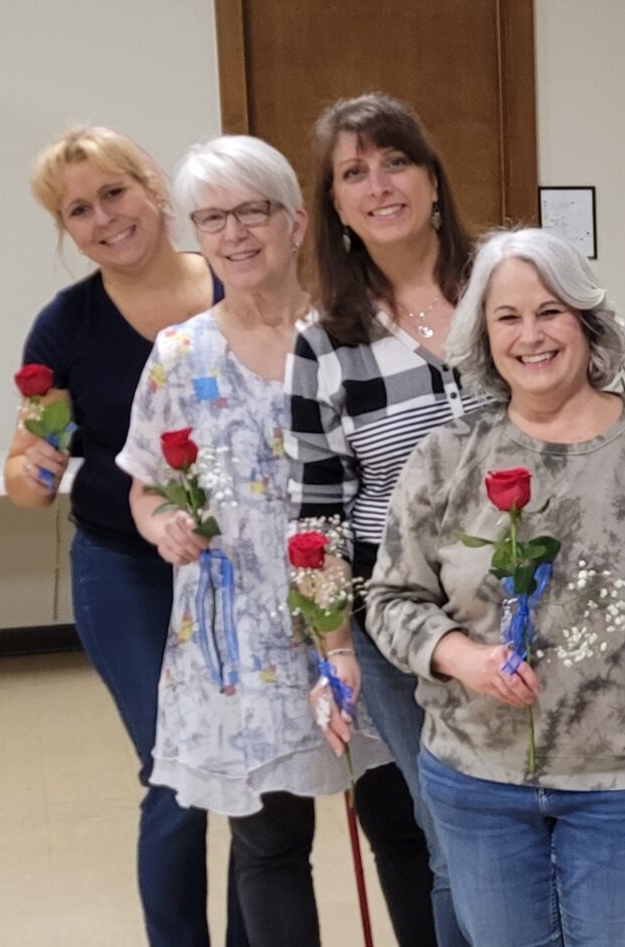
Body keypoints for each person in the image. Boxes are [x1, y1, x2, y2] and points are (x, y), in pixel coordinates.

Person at [367, 227, 625, 945]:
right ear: (484, 335)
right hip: (477, 776)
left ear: (586, 318)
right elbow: (388, 599)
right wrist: (460, 656)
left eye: (550, 311)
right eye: (507, 317)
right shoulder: (448, 454)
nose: (530, 335)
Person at [117, 134, 395, 947]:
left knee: (398, 817)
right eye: (212, 219)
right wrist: (160, 521)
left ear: (297, 222)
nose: (234, 235)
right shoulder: (179, 355)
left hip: (364, 614)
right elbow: (142, 484)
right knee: (270, 843)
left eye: (252, 212)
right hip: (239, 631)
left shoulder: (356, 337)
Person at [4, 126, 245, 947]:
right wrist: (31, 469)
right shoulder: (65, 327)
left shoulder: (234, 288)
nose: (104, 218)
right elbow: (26, 472)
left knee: (252, 776)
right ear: (67, 229)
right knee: (174, 770)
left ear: (152, 187)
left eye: (114, 192)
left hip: (239, 567)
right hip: (124, 570)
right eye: (79, 209)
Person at [285, 92, 483, 947]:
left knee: (551, 813)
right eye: (352, 173)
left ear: (433, 178)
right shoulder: (325, 339)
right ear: (333, 207)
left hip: (530, 599)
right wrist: (333, 648)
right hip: (396, 622)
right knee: (450, 836)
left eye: (395, 160)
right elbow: (318, 511)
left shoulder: (508, 286)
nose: (378, 184)